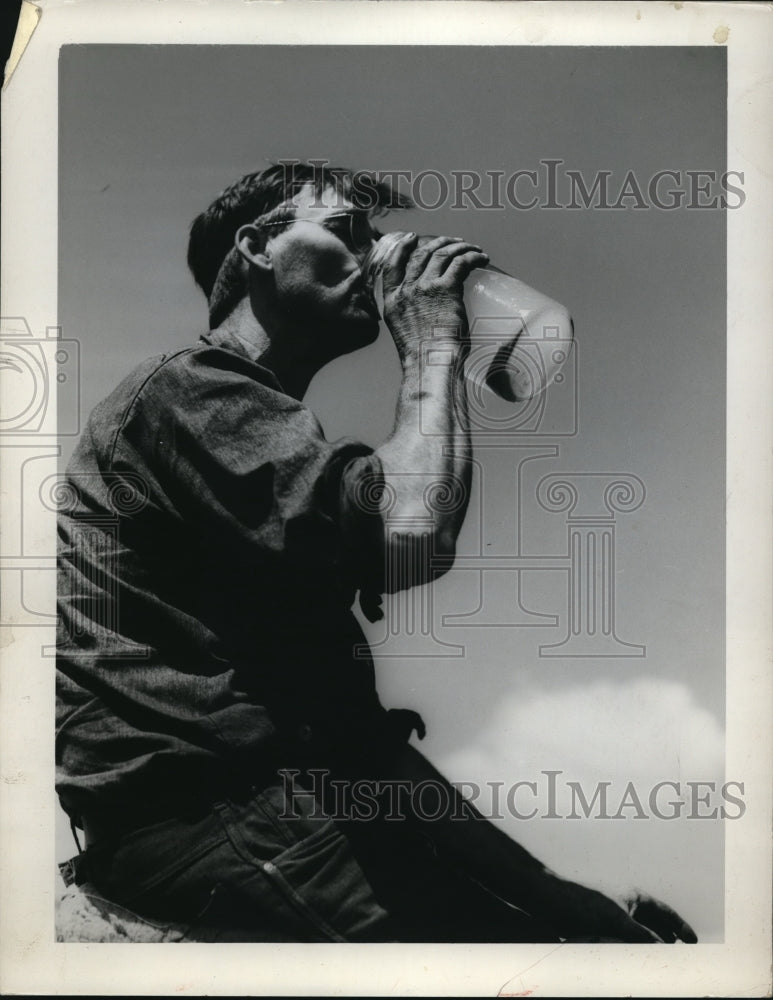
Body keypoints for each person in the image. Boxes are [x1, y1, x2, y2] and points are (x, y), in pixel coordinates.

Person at [56, 161, 697, 944]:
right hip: (206, 821)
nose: (376, 256)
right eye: (348, 232)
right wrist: (433, 340)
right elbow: (411, 533)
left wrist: (553, 896)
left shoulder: (268, 452)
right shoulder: (190, 390)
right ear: (257, 247)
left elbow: (362, 752)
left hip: (278, 810)